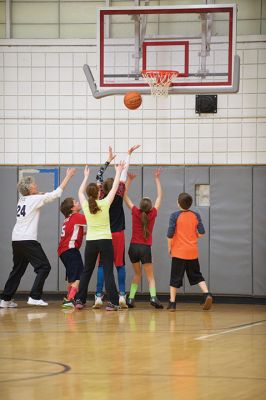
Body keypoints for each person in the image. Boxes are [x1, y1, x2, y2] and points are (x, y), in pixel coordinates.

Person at [0, 168, 76, 308]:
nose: (36, 185)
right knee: (44, 267)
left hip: (16, 239)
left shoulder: (23, 199)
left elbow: (39, 195)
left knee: (17, 270)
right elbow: (56, 194)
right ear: (29, 189)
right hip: (27, 240)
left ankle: (5, 299)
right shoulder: (34, 199)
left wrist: (40, 194)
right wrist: (68, 177)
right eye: (34, 184)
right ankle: (34, 297)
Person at [93, 145, 140, 309]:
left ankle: (98, 297)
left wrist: (108, 158)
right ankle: (121, 295)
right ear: (114, 186)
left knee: (101, 266)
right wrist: (128, 155)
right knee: (119, 264)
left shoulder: (100, 195)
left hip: (104, 235)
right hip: (118, 233)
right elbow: (124, 173)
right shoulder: (119, 192)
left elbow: (98, 174)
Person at [74, 161, 126, 311]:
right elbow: (115, 187)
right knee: (108, 271)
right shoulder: (104, 203)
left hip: (91, 242)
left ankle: (79, 300)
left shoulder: (85, 205)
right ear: (98, 193)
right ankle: (114, 302)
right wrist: (118, 172)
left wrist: (85, 177)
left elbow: (79, 191)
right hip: (105, 241)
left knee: (87, 271)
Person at [123, 170, 164, 309]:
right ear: (151, 207)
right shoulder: (153, 214)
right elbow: (159, 196)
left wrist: (129, 180)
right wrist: (157, 179)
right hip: (145, 248)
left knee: (137, 274)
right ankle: (153, 297)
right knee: (150, 276)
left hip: (133, 248)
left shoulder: (135, 211)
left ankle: (130, 299)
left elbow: (124, 195)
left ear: (140, 206)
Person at [166, 192, 213, 311]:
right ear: (190, 204)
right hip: (192, 252)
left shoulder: (174, 216)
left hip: (178, 252)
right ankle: (207, 294)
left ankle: (172, 303)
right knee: (197, 275)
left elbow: (170, 235)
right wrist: (194, 235)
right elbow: (202, 233)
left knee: (175, 278)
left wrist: (169, 247)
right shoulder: (195, 215)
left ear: (178, 203)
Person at [58, 197, 87, 308]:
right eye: (76, 202)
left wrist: (84, 233)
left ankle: (69, 297)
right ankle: (69, 300)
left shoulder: (68, 219)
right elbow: (91, 219)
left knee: (72, 277)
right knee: (80, 276)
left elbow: (73, 233)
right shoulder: (77, 217)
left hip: (63, 251)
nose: (78, 202)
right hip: (71, 250)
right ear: (72, 208)